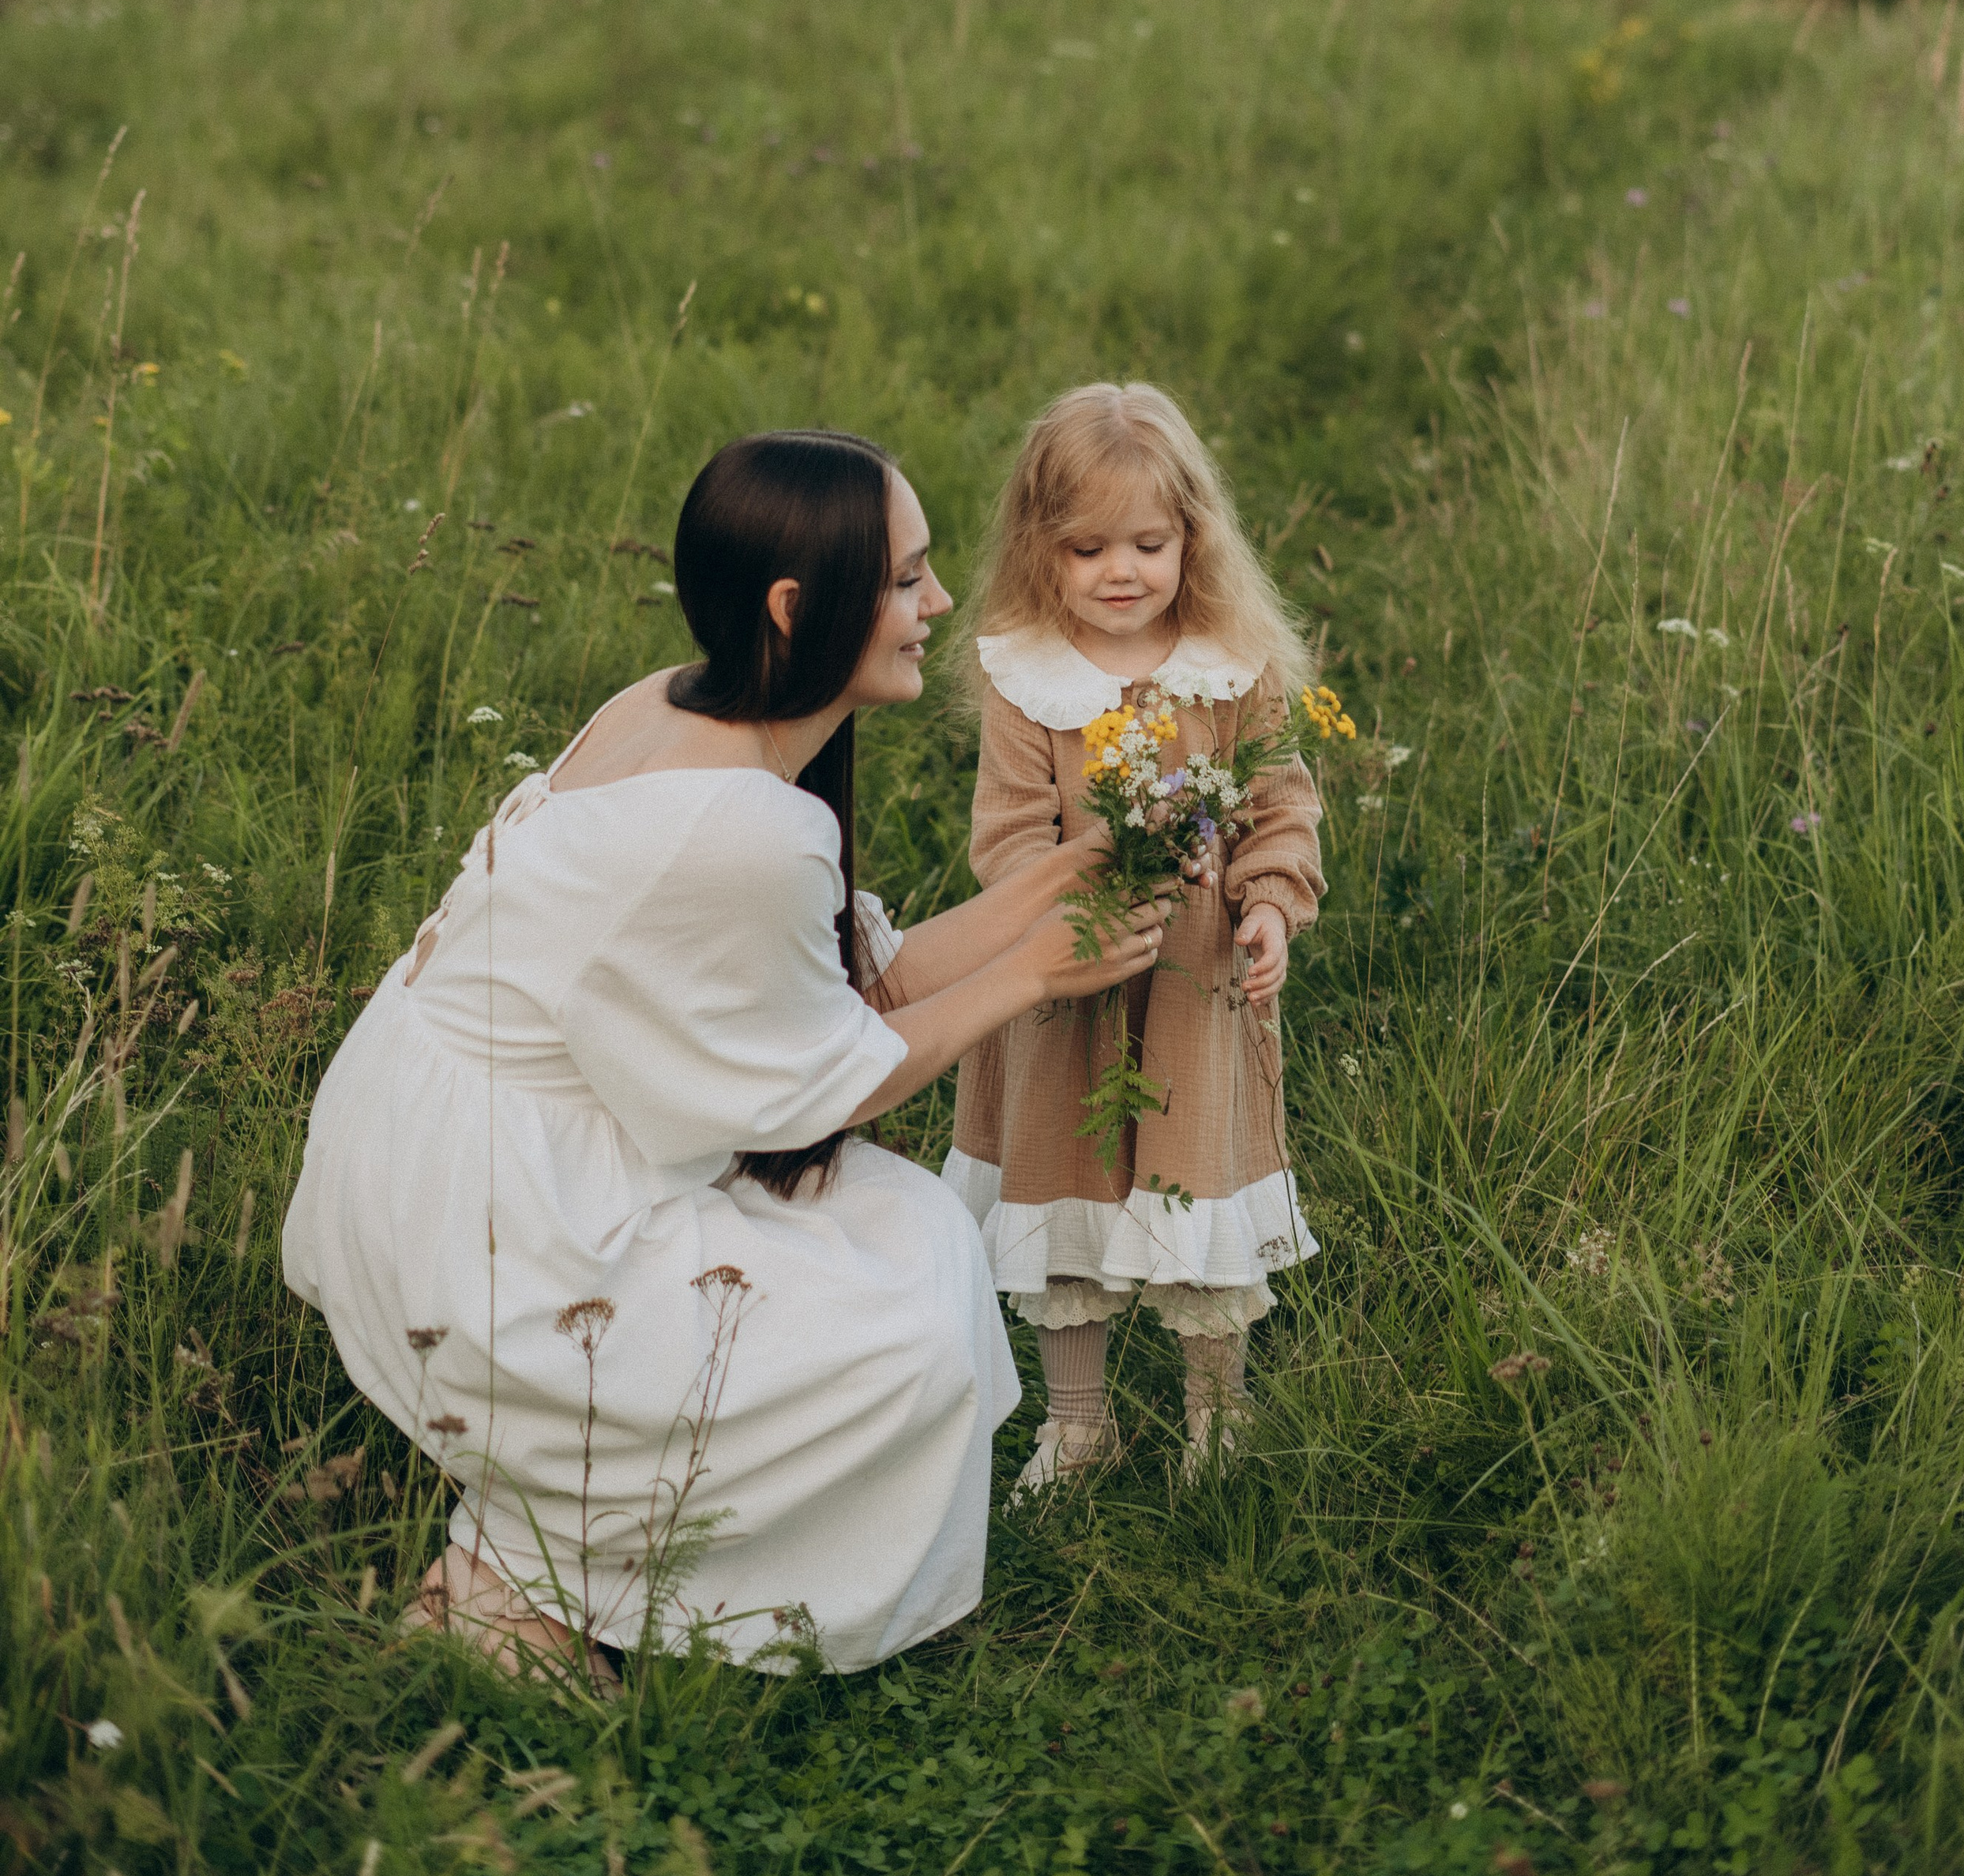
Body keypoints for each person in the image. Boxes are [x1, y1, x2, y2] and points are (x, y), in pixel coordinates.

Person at [282, 430, 1167, 1682]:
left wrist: (1056, 879)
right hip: (491, 1218)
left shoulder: (674, 703)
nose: (937, 603)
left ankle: (537, 1551)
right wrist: (1032, 975)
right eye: (905, 578)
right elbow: (826, 1085)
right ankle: (513, 1585)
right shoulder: (742, 826)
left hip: (441, 1138)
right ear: (796, 609)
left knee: (910, 1231)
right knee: (903, 1331)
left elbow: (857, 984)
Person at [943, 382, 1326, 1492]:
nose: (1122, 571)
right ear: (1040, 549)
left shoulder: (1227, 666)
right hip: (1065, 974)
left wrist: (1267, 904)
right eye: (1088, 548)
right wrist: (1078, 903)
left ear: (1191, 539)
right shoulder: (1030, 678)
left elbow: (1278, 806)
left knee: (1195, 1168)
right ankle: (1077, 1425)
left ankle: (1218, 1415)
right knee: (1062, 1176)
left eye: (1149, 545)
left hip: (1195, 977)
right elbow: (1010, 834)